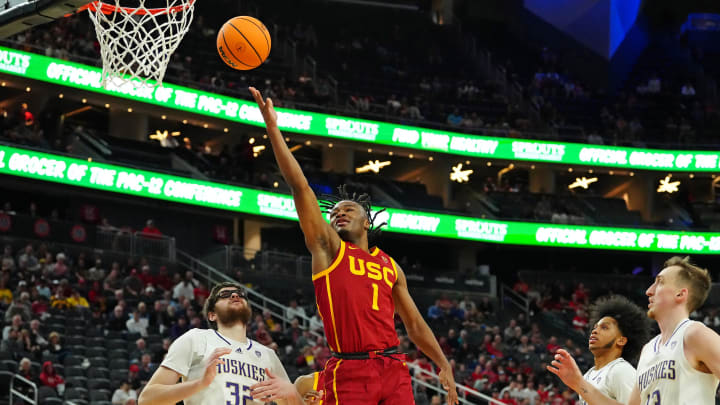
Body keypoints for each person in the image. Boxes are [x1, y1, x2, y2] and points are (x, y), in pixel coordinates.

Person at [250, 86, 458, 405]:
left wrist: (443, 364)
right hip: (349, 368)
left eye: (348, 209)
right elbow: (300, 187)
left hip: (392, 366)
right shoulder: (329, 249)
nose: (338, 213)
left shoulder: (390, 266)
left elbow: (415, 324)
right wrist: (273, 130)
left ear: (367, 221)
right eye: (334, 212)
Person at [548, 256, 720, 404]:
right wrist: (579, 383)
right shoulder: (648, 351)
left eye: (659, 283)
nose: (648, 291)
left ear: (680, 295)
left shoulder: (695, 334)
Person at [138, 282, 303, 405]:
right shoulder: (195, 338)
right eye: (225, 295)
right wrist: (200, 383)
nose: (234, 295)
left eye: (240, 294)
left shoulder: (268, 355)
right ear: (212, 315)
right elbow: (148, 399)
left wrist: (294, 396)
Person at [577, 295, 651, 405]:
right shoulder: (587, 375)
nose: (595, 331)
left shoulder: (621, 371)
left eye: (604, 327)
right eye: (595, 327)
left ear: (621, 340)